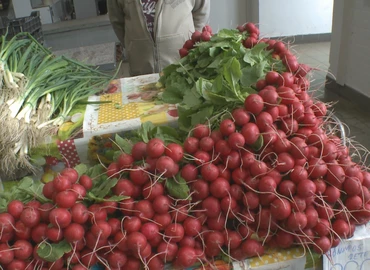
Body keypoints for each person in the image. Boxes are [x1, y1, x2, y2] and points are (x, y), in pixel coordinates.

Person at [107, 0, 210, 76]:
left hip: (182, 65)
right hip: (141, 68)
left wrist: (191, 41)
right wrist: (132, 45)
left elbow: (201, 13)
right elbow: (117, 21)